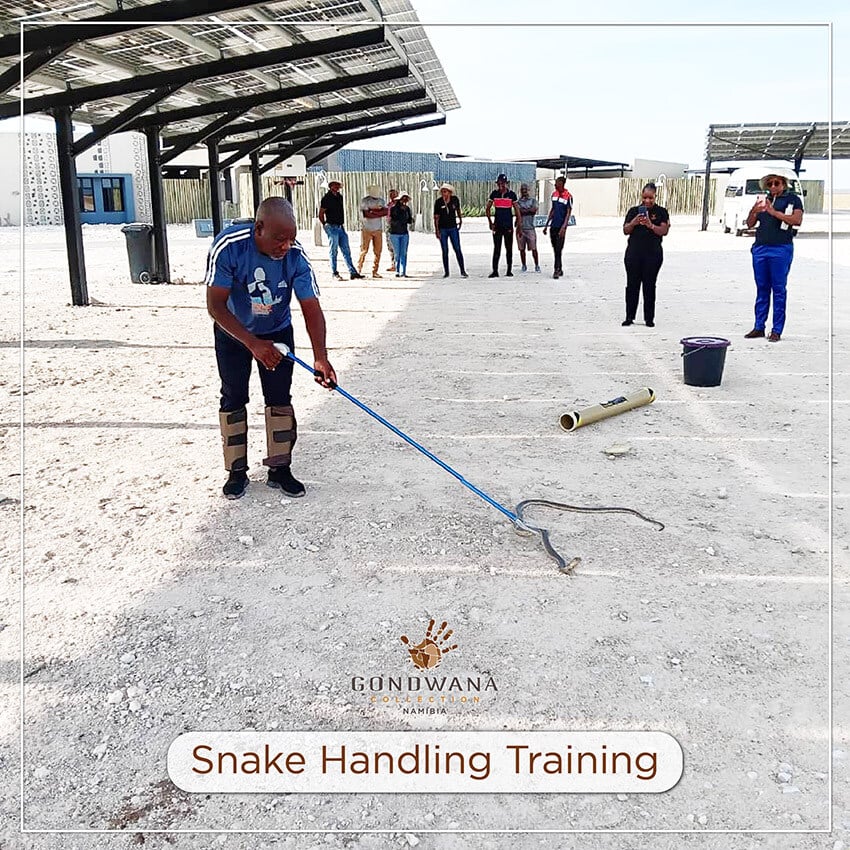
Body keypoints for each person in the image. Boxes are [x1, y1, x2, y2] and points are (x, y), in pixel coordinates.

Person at [205, 197, 337, 500]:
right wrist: (252, 343)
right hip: (234, 332)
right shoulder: (229, 246)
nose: (286, 246)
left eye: (291, 238)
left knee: (279, 398)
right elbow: (215, 306)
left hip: (277, 331)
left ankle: (280, 468)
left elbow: (311, 309)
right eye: (279, 238)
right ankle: (236, 471)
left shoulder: (296, 257)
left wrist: (321, 357)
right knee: (233, 395)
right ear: (259, 228)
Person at [743, 172, 804, 342]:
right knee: (762, 288)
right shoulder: (764, 200)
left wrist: (773, 212)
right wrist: (754, 211)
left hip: (780, 248)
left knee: (778, 289)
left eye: (776, 183)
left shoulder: (792, 200)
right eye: (769, 184)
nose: (773, 187)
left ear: (784, 184)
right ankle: (758, 326)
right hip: (761, 247)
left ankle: (777, 329)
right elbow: (749, 224)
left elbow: (796, 220)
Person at [621, 182, 670, 327]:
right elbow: (625, 230)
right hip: (633, 254)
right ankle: (629, 317)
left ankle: (649, 319)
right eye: (645, 197)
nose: (647, 201)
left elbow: (664, 231)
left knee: (649, 286)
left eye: (651, 198)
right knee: (632, 286)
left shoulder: (661, 212)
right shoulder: (633, 211)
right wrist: (634, 222)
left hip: (652, 255)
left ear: (655, 197)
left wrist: (650, 225)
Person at [318, 180, 364, 281]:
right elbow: (321, 213)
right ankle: (334, 272)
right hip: (331, 226)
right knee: (333, 250)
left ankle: (352, 272)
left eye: (338, 186)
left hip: (340, 226)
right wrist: (325, 224)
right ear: (331, 187)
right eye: (336, 186)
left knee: (346, 250)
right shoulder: (326, 198)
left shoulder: (339, 197)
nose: (338, 187)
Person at [485, 173, 521, 278]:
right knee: (497, 248)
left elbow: (517, 210)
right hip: (497, 225)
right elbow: (487, 208)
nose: (501, 185)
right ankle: (495, 270)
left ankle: (509, 270)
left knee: (509, 248)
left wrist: (518, 223)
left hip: (508, 225)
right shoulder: (494, 194)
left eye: (503, 183)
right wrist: (490, 222)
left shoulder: (512, 195)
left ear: (506, 183)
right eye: (500, 183)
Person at [433, 183, 468, 278]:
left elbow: (458, 209)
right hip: (443, 228)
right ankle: (446, 272)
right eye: (443, 192)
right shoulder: (439, 202)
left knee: (457, 248)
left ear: (449, 192)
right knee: (445, 250)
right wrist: (437, 230)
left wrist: (460, 219)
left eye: (445, 192)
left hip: (453, 227)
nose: (444, 194)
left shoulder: (454, 200)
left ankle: (462, 270)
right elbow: (436, 217)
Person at [542, 176, 572, 279]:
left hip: (561, 227)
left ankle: (556, 270)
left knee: (559, 248)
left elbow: (568, 213)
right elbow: (553, 210)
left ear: (562, 184)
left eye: (557, 183)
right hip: (553, 226)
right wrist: (546, 225)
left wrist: (564, 227)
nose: (555, 185)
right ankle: (560, 267)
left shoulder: (568, 196)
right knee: (555, 249)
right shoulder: (554, 194)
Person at [357, 184, 389, 278]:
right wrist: (378, 213)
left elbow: (385, 212)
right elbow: (366, 214)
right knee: (364, 250)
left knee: (378, 251)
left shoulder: (381, 201)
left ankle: (375, 271)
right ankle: (359, 268)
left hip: (377, 229)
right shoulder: (365, 201)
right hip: (367, 228)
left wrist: (372, 212)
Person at [389, 191, 413, 278]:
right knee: (397, 253)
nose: (404, 200)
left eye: (406, 199)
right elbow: (393, 220)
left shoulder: (407, 209)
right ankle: (398, 271)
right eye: (403, 198)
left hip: (404, 233)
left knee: (404, 252)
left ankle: (403, 271)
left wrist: (408, 218)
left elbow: (409, 220)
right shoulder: (393, 209)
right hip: (395, 233)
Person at [517, 182, 540, 273]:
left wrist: (524, 211)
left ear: (528, 190)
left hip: (530, 228)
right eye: (522, 190)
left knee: (534, 248)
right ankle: (524, 265)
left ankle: (537, 265)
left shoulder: (533, 201)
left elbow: (534, 210)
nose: (524, 191)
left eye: (525, 189)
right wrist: (527, 210)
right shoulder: (518, 202)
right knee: (522, 249)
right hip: (521, 228)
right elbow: (519, 211)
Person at [385, 187, 399, 272]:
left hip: (397, 226)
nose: (392, 196)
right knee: (389, 245)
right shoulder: (388, 205)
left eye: (394, 194)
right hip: (388, 225)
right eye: (390, 194)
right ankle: (393, 264)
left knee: (396, 245)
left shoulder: (400, 205)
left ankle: (398, 263)